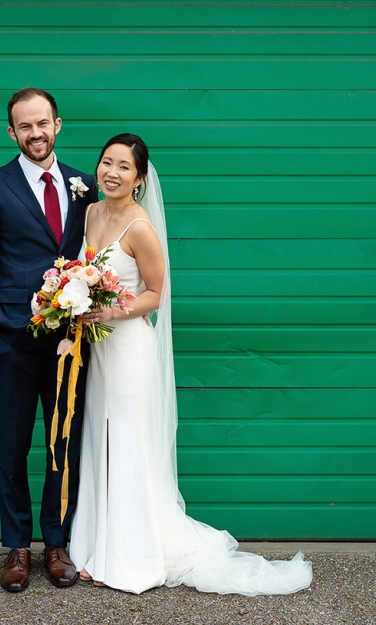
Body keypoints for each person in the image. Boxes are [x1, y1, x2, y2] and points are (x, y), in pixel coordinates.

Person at [67, 133, 313, 596]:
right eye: (106, 162)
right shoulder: (92, 212)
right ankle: (94, 546)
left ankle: (130, 557)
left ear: (140, 178)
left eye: (124, 167)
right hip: (97, 349)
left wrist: (112, 311)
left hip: (127, 348)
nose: (112, 173)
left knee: (126, 440)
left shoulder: (140, 227)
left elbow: (155, 295)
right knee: (99, 439)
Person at [0, 88, 98, 593]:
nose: (35, 133)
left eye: (42, 123)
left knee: (64, 442)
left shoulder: (86, 185)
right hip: (15, 339)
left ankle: (56, 544)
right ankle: (18, 547)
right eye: (25, 126)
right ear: (12, 132)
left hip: (72, 340)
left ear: (57, 125)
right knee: (14, 443)